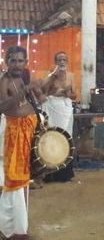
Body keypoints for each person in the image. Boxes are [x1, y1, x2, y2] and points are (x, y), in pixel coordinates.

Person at [0, 46, 46, 240]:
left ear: (26, 62)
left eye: (20, 61)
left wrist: (38, 91)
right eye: (13, 60)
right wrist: (24, 92)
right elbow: (3, 106)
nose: (17, 64)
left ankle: (19, 227)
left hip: (25, 135)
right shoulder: (3, 81)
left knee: (22, 182)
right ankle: (10, 229)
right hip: (11, 134)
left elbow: (39, 100)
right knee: (13, 180)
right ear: (6, 61)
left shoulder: (22, 79)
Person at [42, 51, 77, 183]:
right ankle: (49, 174)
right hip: (52, 107)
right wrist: (52, 76)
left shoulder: (71, 76)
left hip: (65, 109)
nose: (62, 62)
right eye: (59, 60)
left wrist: (68, 94)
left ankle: (65, 174)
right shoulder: (51, 75)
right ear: (55, 62)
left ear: (67, 62)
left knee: (65, 138)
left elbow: (75, 95)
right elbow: (43, 89)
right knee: (52, 137)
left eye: (64, 59)